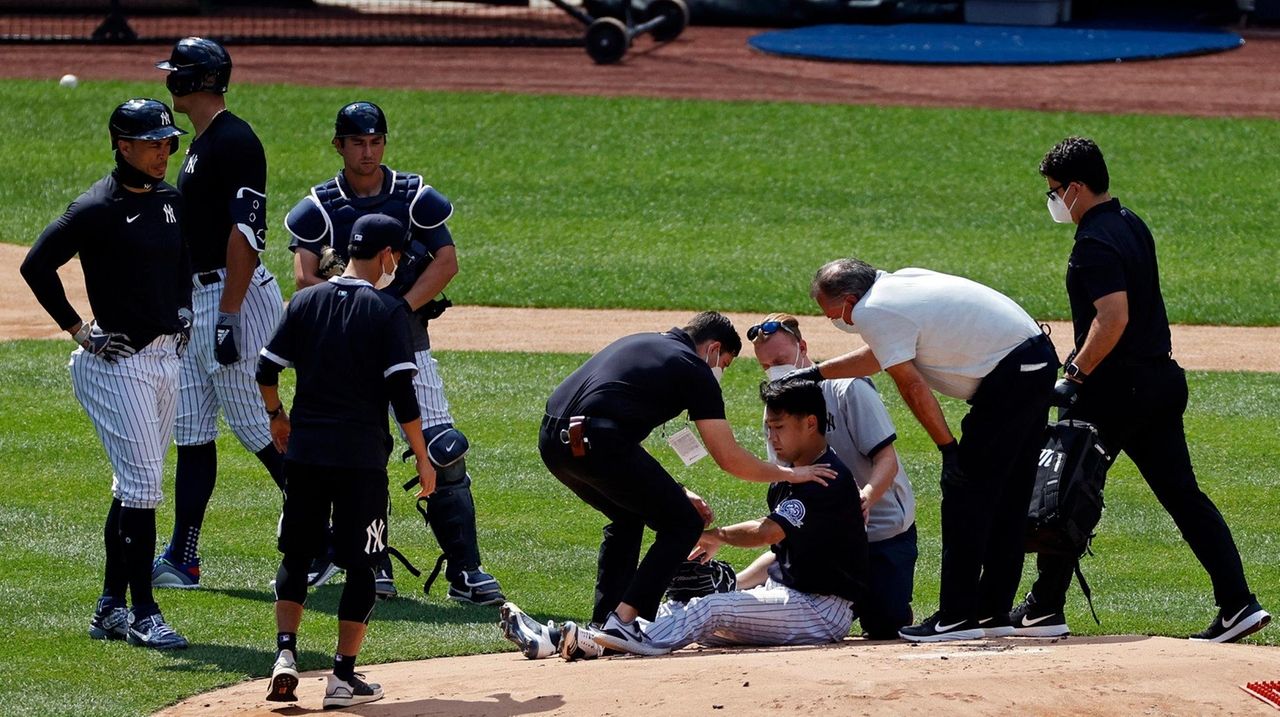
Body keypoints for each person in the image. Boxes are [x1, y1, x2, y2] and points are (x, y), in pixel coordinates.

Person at [1023, 136, 1270, 643]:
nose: (1053, 201)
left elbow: (1112, 318)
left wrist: (1074, 375)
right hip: (1157, 381)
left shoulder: (1093, 242)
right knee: (1183, 496)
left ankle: (1045, 608)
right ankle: (1237, 603)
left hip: (1114, 391)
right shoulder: (1131, 222)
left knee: (1066, 490)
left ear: (1075, 188)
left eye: (1054, 191)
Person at [282, 100, 503, 604]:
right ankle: (370, 562)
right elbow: (304, 278)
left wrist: (394, 308)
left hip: (407, 339)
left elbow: (446, 261)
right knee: (365, 453)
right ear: (338, 145)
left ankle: (465, 571)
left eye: (375, 141)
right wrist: (360, 309)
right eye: (357, 142)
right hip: (344, 354)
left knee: (445, 448)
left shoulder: (413, 196)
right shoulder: (319, 207)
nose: (367, 151)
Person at [537, 311, 837, 653]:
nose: (720, 372)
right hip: (600, 441)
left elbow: (613, 424)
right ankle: (624, 621)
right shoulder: (694, 369)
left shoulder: (640, 341)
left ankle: (602, 626)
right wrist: (790, 473)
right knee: (684, 523)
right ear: (713, 348)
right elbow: (729, 458)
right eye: (724, 363)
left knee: (628, 516)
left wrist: (677, 490)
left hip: (553, 444)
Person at [791, 259, 1058, 642]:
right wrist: (815, 374)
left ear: (848, 300)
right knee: (1008, 499)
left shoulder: (872, 309)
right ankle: (991, 611)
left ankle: (956, 616)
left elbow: (912, 386)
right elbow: (881, 355)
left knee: (965, 495)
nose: (834, 319)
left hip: (1011, 377)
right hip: (1034, 362)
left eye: (830, 312)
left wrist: (949, 449)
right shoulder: (895, 285)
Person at [504, 379, 867, 659]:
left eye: (779, 427)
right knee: (680, 606)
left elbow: (767, 532)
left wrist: (716, 535)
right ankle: (570, 640)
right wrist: (736, 582)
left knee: (709, 608)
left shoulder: (826, 478)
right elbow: (782, 550)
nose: (771, 437)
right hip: (787, 598)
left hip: (820, 611)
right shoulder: (792, 474)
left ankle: (609, 641)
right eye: (769, 427)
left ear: (810, 423)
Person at [21, 98, 192, 649]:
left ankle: (109, 608)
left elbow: (182, 261)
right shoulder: (95, 206)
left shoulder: (170, 200)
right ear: (122, 145)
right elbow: (36, 265)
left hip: (166, 359)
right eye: (151, 143)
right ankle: (144, 612)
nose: (162, 152)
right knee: (143, 486)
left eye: (167, 142)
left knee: (132, 487)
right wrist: (79, 329)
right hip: (116, 364)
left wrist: (185, 309)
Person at [256, 214, 435, 708]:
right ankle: (341, 678)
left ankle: (285, 656)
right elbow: (403, 394)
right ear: (385, 256)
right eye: (395, 255)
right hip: (359, 461)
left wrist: (277, 416)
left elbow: (265, 368)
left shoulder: (307, 300)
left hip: (307, 454)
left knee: (296, 554)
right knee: (363, 565)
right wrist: (423, 459)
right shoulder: (386, 310)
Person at [151, 36, 287, 588]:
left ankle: (331, 537)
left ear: (193, 81)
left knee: (258, 425)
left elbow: (246, 233)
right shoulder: (203, 141)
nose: (167, 80)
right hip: (202, 300)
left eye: (175, 73)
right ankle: (183, 557)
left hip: (234, 296)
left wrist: (229, 314)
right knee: (191, 431)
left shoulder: (234, 141)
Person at [749, 313, 917, 639]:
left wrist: (865, 497)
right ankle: (735, 588)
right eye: (766, 366)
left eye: (782, 360)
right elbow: (787, 490)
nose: (776, 370)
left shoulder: (848, 390)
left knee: (885, 624)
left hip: (882, 530)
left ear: (803, 348)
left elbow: (888, 460)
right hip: (826, 537)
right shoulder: (777, 412)